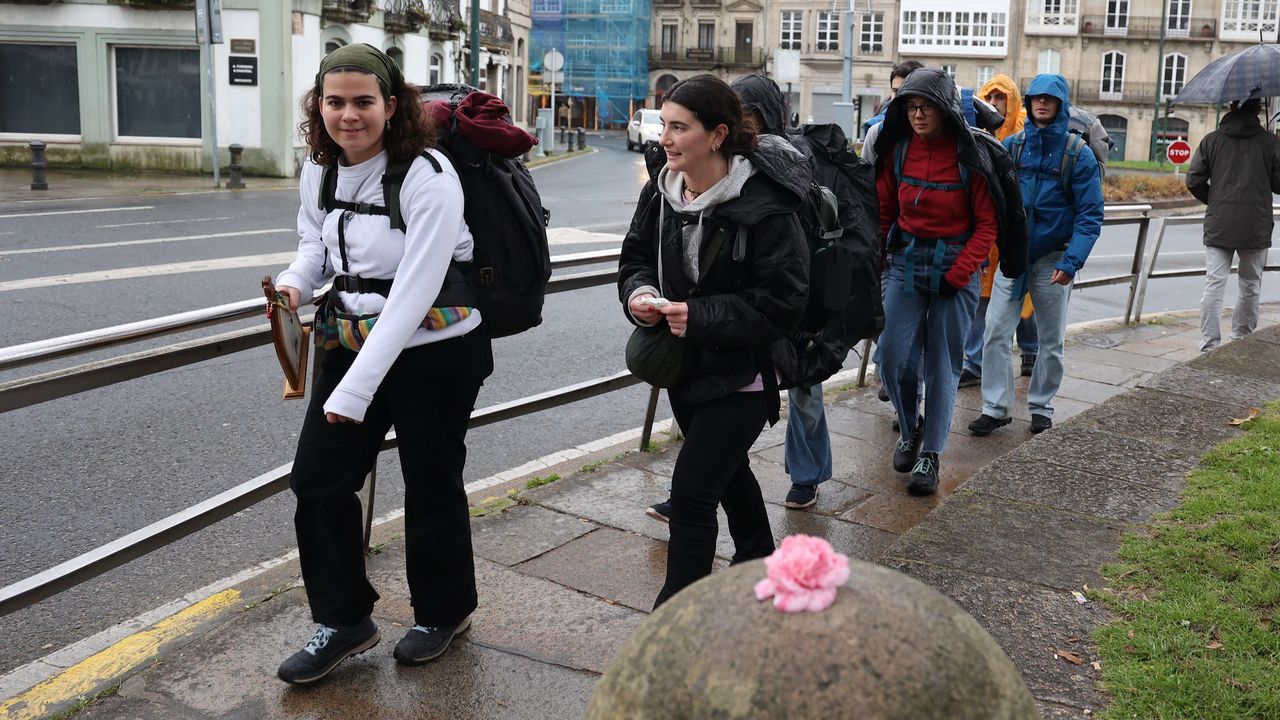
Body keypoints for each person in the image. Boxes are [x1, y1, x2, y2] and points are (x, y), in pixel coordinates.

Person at [273, 43, 494, 684]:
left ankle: (444, 612)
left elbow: (415, 290)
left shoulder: (429, 174)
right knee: (317, 482)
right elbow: (314, 240)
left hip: (435, 351)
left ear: (391, 106)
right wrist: (294, 281)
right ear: (319, 105)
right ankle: (344, 619)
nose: (348, 115)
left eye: (363, 102)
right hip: (349, 339)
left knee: (430, 482)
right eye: (335, 102)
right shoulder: (319, 169)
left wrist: (354, 390)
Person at [618, 74, 809, 607]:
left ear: (718, 134)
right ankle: (759, 559)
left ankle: (677, 614)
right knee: (728, 473)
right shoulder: (662, 191)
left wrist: (698, 316)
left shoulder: (766, 205)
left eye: (680, 128)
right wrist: (640, 295)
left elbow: (784, 302)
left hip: (744, 374)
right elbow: (633, 260)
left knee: (693, 492)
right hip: (686, 369)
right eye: (664, 125)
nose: (666, 138)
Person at [872, 68, 999, 495]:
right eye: (910, 107)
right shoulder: (899, 152)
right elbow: (886, 211)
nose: (918, 115)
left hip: (955, 268)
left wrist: (960, 272)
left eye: (925, 107)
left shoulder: (970, 156)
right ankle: (911, 428)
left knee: (943, 364)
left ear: (945, 110)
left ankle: (932, 454)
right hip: (906, 263)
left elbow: (986, 226)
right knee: (892, 356)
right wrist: (877, 261)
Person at [969, 74, 1104, 437]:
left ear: (1061, 104)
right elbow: (988, 204)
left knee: (1051, 340)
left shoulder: (1078, 155)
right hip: (1013, 257)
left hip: (1053, 261)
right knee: (995, 333)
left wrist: (1070, 262)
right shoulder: (1011, 147)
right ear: (1028, 103)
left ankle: (1041, 406)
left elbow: (1091, 215)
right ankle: (995, 408)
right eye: (1036, 98)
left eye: (1050, 98)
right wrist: (983, 250)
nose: (1042, 103)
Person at [732, 72, 829, 510]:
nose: (743, 125)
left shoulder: (795, 157)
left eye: (749, 115)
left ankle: (806, 475)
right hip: (742, 294)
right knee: (724, 396)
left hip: (793, 290)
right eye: (735, 115)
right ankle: (695, 484)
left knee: (804, 388)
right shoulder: (725, 154)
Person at [961, 75, 1038, 387]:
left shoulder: (1023, 137)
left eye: (1000, 99)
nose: (994, 105)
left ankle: (1030, 351)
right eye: (989, 99)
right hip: (985, 235)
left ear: (1012, 101)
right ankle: (974, 361)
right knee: (981, 301)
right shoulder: (975, 135)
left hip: (1014, 233)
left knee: (1022, 299)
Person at [1186, 97, 1280, 352]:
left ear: (1230, 108)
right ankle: (1241, 340)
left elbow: (1194, 180)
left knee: (1214, 284)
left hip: (1220, 223)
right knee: (1250, 284)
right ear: (1258, 109)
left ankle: (1209, 345)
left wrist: (1215, 202)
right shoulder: (1269, 142)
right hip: (1256, 225)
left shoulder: (1211, 140)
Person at [861, 61, 924, 167]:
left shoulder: (936, 129)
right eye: (895, 91)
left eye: (906, 90)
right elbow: (864, 176)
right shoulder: (876, 131)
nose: (899, 96)